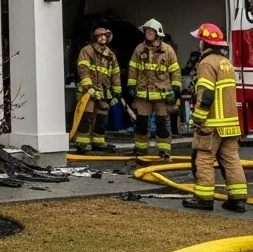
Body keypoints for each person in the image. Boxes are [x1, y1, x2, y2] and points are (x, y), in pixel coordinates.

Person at [182, 22, 248, 213]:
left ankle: (203, 198)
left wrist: (198, 119)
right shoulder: (226, 63)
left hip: (212, 124)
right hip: (230, 124)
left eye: (199, 41)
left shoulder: (206, 64)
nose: (198, 45)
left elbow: (207, 94)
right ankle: (237, 200)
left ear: (204, 43)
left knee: (203, 158)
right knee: (231, 160)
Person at [127, 18, 181, 159]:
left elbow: (175, 71)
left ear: (158, 33)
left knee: (162, 124)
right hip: (143, 94)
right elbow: (133, 69)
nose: (148, 33)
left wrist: (175, 90)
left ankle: (164, 150)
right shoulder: (139, 49)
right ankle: (140, 148)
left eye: (151, 31)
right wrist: (131, 86)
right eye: (147, 31)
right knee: (141, 123)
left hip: (162, 94)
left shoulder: (167, 51)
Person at [74, 25, 121, 153]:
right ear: (95, 38)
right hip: (88, 91)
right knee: (87, 117)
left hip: (104, 92)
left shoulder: (111, 55)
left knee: (102, 119)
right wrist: (88, 87)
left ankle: (98, 142)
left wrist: (117, 91)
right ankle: (82, 142)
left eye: (104, 36)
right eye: (99, 36)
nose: (102, 38)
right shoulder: (87, 51)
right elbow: (83, 69)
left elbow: (115, 74)